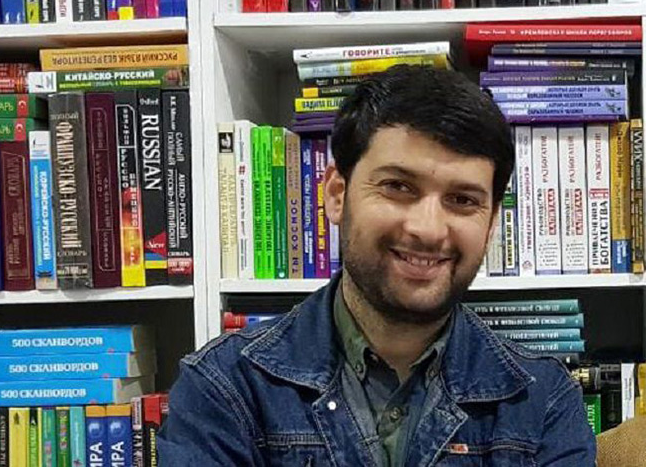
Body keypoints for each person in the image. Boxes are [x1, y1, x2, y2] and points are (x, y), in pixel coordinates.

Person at [158, 65, 596, 466]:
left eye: (462, 200)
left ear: (492, 222)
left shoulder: (543, 400)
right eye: (398, 187)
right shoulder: (226, 388)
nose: (428, 229)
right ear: (336, 195)